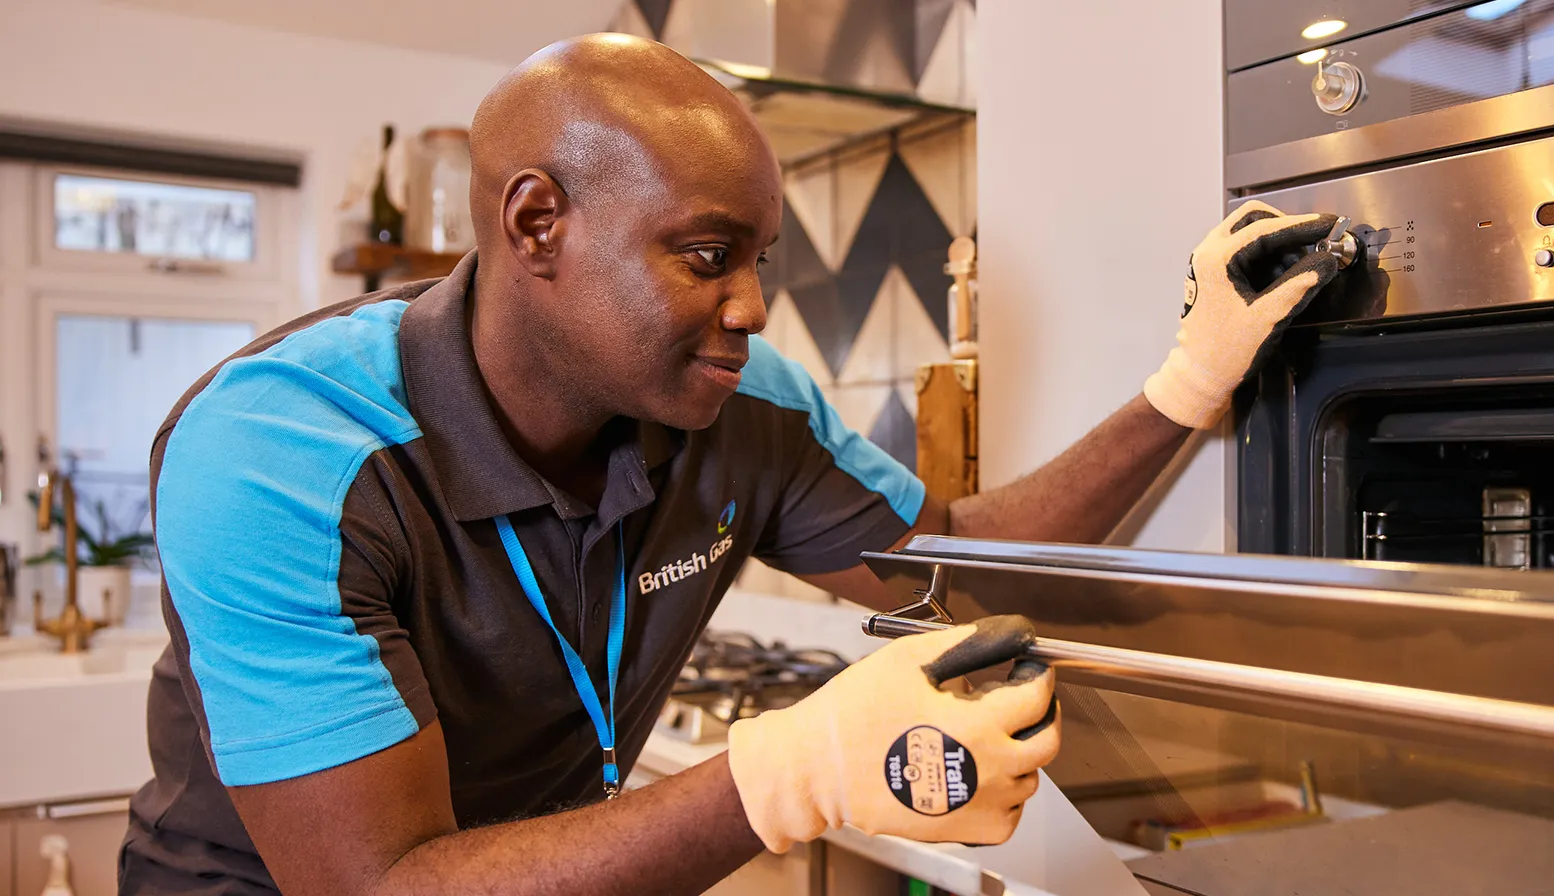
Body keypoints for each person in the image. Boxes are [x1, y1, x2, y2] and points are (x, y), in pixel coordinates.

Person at [118, 33, 1341, 896]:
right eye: (708, 255)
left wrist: (1191, 378)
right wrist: (798, 764)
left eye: (761, 258)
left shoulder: (740, 404)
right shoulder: (280, 455)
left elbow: (952, 561)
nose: (753, 306)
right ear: (538, 223)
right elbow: (377, 883)